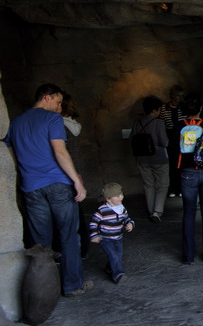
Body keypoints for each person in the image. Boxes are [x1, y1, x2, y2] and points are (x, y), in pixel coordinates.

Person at [3, 83, 92, 297]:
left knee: (41, 243)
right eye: (58, 102)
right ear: (46, 97)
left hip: (31, 187)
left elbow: (11, 153)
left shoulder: (14, 123)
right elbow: (60, 152)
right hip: (58, 184)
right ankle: (72, 285)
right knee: (69, 236)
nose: (59, 107)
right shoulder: (52, 119)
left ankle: (45, 291)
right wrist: (77, 182)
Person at [179, 94, 203, 265]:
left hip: (188, 173)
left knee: (188, 212)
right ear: (201, 108)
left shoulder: (178, 126)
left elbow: (174, 151)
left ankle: (188, 256)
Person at [59, 92, 91, 258]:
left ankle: (77, 250)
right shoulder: (74, 125)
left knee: (71, 216)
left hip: (67, 173)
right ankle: (83, 247)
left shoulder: (60, 126)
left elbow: (62, 153)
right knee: (77, 211)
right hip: (76, 171)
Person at [133, 96, 170, 222]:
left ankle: (150, 210)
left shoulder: (137, 122)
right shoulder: (159, 122)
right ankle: (157, 211)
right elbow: (164, 142)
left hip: (142, 158)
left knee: (149, 185)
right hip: (159, 157)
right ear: (154, 110)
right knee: (162, 184)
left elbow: (132, 140)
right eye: (159, 109)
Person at [89, 183, 134, 284]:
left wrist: (130, 224)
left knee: (118, 255)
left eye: (121, 194)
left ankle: (110, 268)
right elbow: (93, 223)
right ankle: (118, 275)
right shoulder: (102, 210)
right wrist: (94, 235)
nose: (121, 197)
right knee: (113, 256)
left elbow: (127, 219)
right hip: (105, 239)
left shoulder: (122, 208)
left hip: (118, 238)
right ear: (109, 199)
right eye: (118, 196)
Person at [159, 85, 185, 198]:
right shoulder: (164, 108)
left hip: (183, 137)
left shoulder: (184, 107)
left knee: (182, 164)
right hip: (169, 138)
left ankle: (180, 188)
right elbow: (161, 123)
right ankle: (173, 188)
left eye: (181, 96)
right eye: (177, 96)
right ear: (172, 95)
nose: (179, 98)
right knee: (171, 164)